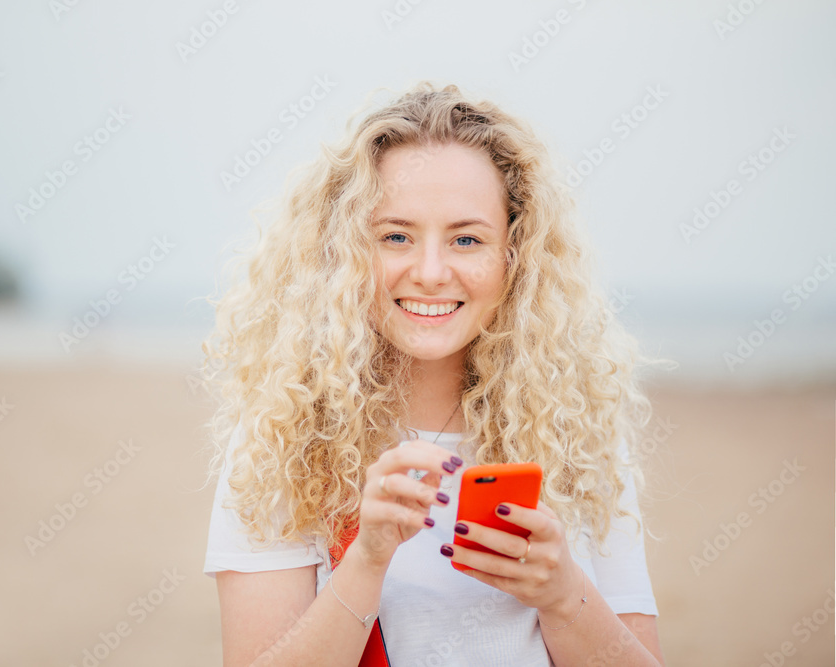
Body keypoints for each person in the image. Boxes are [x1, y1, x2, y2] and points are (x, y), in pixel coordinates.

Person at [200, 81, 665, 666]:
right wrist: (365, 562)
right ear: (345, 251)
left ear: (513, 256)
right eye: (396, 236)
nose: (430, 271)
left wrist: (564, 594)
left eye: (467, 239)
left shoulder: (580, 433)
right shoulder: (281, 440)